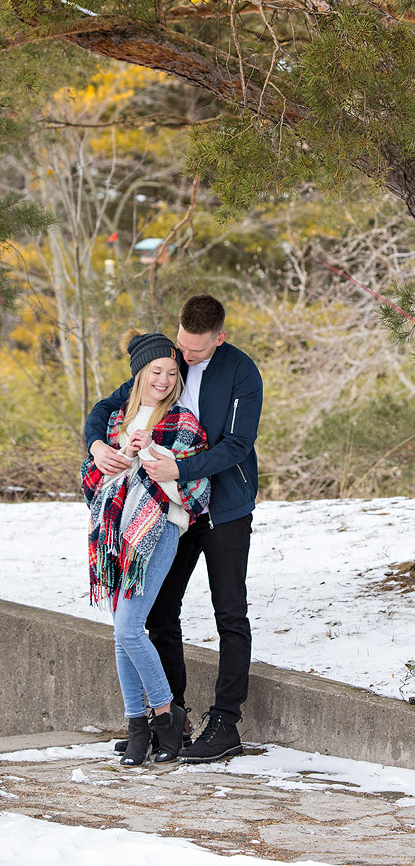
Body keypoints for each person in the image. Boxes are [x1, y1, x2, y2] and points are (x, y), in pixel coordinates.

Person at [85, 294, 263, 762]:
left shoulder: (242, 372)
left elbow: (238, 445)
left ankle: (225, 722)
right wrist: (97, 444)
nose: (185, 358)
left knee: (230, 614)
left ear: (219, 339)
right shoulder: (167, 363)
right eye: (182, 345)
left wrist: (180, 471)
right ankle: (174, 718)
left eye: (196, 350)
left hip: (223, 508)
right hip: (169, 512)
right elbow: (109, 406)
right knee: (160, 613)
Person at [81, 331, 210, 766]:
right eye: (156, 371)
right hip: (116, 537)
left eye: (172, 373)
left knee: (129, 629)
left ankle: (164, 714)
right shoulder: (117, 420)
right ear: (140, 373)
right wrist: (113, 454)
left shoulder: (184, 421)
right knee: (123, 633)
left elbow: (194, 490)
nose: (164, 380)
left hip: (159, 532)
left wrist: (149, 453)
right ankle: (138, 727)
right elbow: (91, 483)